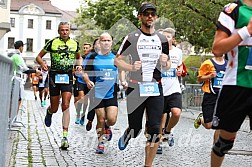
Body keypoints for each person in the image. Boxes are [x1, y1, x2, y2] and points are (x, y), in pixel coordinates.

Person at [114, 3, 170, 166]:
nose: (150, 16)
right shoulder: (131, 37)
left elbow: (167, 65)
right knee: (136, 128)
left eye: (153, 14)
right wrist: (131, 67)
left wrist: (165, 62)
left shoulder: (162, 39)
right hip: (135, 87)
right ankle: (128, 132)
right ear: (140, 17)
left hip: (155, 88)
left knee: (154, 129)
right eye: (146, 14)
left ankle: (148, 165)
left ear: (156, 17)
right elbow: (117, 60)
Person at [210, 1, 252, 166]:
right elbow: (217, 49)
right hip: (236, 85)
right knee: (224, 143)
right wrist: (246, 30)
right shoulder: (234, 10)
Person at [36, 22, 82, 150]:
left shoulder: (74, 43)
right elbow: (38, 57)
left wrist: (79, 65)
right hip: (54, 76)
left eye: (67, 30)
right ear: (58, 31)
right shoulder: (52, 42)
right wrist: (43, 64)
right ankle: (49, 111)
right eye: (62, 30)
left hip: (67, 76)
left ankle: (65, 137)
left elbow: (79, 57)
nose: (65, 32)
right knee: (55, 107)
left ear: (70, 31)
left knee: (66, 104)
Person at [83, 32, 118, 154]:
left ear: (111, 42)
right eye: (104, 41)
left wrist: (124, 80)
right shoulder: (93, 57)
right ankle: (100, 143)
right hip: (97, 93)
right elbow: (85, 72)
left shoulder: (116, 57)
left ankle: (108, 127)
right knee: (101, 119)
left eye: (108, 40)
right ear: (100, 42)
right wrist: (88, 81)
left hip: (111, 92)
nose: (106, 43)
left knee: (111, 119)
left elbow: (123, 70)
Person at [157, 28, 183, 154]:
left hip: (174, 87)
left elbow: (180, 65)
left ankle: (167, 131)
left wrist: (180, 70)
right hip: (160, 88)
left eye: (168, 37)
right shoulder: (158, 51)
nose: (165, 39)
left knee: (176, 113)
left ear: (173, 39)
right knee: (161, 116)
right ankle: (159, 141)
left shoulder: (178, 52)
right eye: (163, 37)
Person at [194, 55, 227, 144]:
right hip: (210, 96)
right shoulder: (208, 63)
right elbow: (199, 78)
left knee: (220, 124)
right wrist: (210, 76)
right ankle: (201, 119)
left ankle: (216, 147)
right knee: (209, 125)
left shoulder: (228, 64)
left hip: (223, 97)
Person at [10, 40, 41, 113]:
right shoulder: (17, 56)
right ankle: (12, 117)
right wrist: (35, 71)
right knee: (18, 98)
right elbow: (24, 69)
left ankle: (12, 117)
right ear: (20, 47)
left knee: (16, 98)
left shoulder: (14, 55)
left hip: (14, 79)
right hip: (16, 79)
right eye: (23, 47)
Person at [73, 43, 91, 125]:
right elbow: (76, 68)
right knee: (81, 98)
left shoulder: (92, 58)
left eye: (87, 48)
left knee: (86, 100)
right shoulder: (81, 58)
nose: (85, 49)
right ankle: (78, 115)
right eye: (84, 48)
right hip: (80, 80)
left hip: (88, 81)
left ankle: (83, 116)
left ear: (90, 49)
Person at [85, 38, 101, 131]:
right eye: (97, 43)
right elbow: (86, 70)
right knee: (93, 102)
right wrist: (88, 81)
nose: (99, 45)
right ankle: (90, 120)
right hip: (92, 82)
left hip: (105, 83)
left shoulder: (109, 55)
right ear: (94, 46)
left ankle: (105, 125)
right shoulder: (91, 56)